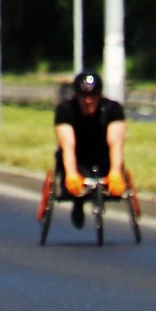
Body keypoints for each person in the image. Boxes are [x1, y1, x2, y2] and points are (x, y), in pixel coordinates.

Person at [53, 71, 128, 230]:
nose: (88, 100)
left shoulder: (112, 109)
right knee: (73, 184)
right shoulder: (65, 110)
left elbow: (115, 142)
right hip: (77, 159)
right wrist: (72, 174)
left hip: (103, 156)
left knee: (113, 168)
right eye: (83, 96)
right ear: (76, 96)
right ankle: (78, 202)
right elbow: (67, 144)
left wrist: (115, 172)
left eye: (93, 96)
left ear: (100, 95)